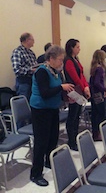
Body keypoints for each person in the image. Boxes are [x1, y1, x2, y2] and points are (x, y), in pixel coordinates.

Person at [29, 45, 75, 186]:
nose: (62, 62)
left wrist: (67, 97)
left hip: (52, 108)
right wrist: (61, 87)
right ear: (51, 59)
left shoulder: (55, 71)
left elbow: (56, 91)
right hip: (40, 110)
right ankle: (35, 174)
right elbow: (45, 92)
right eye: (60, 60)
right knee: (41, 142)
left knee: (53, 138)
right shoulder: (42, 72)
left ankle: (49, 162)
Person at [63, 39, 90, 151]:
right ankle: (71, 141)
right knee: (72, 116)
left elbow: (81, 75)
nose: (79, 49)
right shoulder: (68, 60)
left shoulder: (75, 59)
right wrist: (84, 88)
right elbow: (75, 77)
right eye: (77, 47)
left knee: (77, 115)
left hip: (80, 90)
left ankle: (75, 138)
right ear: (71, 48)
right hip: (73, 92)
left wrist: (86, 87)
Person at [89, 50, 106, 141]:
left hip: (93, 93)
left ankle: (95, 133)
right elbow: (97, 82)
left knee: (95, 114)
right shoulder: (100, 68)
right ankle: (100, 133)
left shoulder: (93, 67)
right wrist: (105, 89)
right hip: (98, 94)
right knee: (101, 114)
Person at [11, 33, 37, 101]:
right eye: (32, 40)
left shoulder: (31, 53)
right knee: (23, 104)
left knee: (32, 103)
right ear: (27, 40)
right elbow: (17, 69)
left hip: (33, 81)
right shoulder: (17, 52)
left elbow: (34, 64)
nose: (34, 42)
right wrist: (31, 70)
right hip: (23, 83)